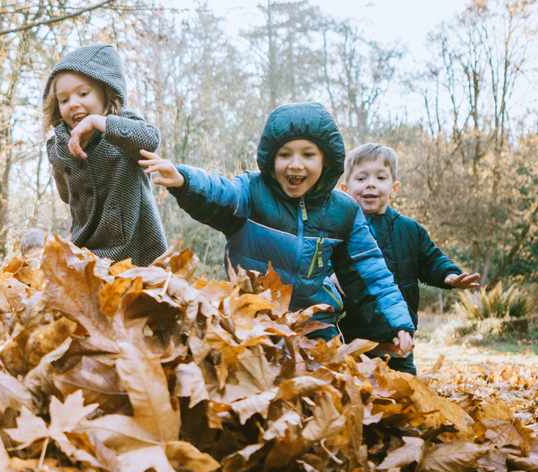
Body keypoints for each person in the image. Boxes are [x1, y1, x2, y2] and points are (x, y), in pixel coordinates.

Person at [138, 101, 413, 353]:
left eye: (308, 155)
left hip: (315, 325)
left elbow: (370, 272)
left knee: (326, 389)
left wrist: (395, 323)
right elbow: (220, 191)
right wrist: (184, 180)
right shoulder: (251, 192)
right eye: (285, 155)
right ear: (271, 160)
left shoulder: (345, 211)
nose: (295, 164)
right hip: (253, 319)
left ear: (325, 161)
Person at [337, 143, 483, 373]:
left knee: (404, 391)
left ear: (394, 187)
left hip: (398, 337)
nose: (371, 184)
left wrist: (450, 275)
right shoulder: (339, 230)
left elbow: (431, 259)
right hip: (353, 336)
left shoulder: (409, 230)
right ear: (345, 188)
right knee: (355, 393)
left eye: (380, 177)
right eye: (362, 178)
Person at [43, 44, 168, 266]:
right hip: (88, 253)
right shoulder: (59, 146)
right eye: (64, 100)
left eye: (83, 93)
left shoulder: (123, 128)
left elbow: (151, 139)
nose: (73, 104)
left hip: (137, 253)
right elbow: (67, 195)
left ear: (106, 91)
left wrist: (99, 123)